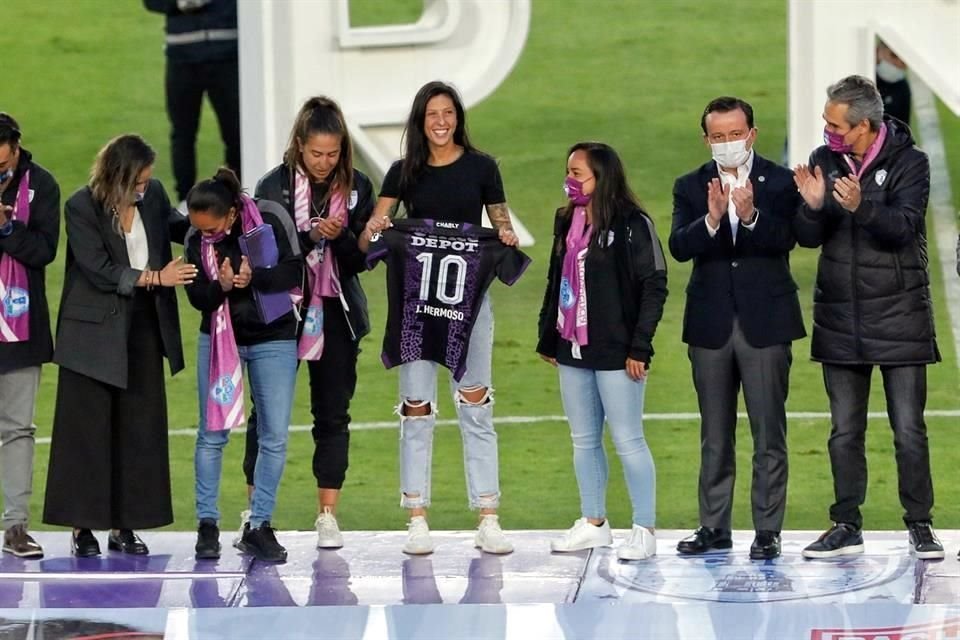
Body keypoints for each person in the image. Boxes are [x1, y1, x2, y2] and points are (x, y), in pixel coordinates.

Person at [360, 80, 520, 555]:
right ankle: (416, 515)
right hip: (417, 307)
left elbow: (501, 220)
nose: (441, 122)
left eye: (448, 113)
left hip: (469, 303)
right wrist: (379, 227)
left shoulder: (482, 166)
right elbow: (374, 229)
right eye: (432, 114)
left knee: (476, 403)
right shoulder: (401, 172)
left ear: (458, 117)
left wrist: (505, 236)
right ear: (420, 120)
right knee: (416, 407)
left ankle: (488, 515)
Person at [793, 75, 943, 560]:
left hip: (900, 314)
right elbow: (809, 237)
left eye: (835, 125)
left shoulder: (911, 163)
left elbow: (902, 228)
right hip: (840, 315)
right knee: (844, 431)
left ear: (863, 126)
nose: (827, 131)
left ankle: (920, 524)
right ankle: (845, 523)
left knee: (908, 430)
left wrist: (860, 209)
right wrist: (814, 209)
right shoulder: (824, 161)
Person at [43, 134, 194, 557]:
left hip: (142, 328)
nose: (145, 190)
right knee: (86, 432)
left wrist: (215, 219)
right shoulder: (81, 206)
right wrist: (154, 278)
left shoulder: (155, 195)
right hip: (90, 335)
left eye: (147, 182)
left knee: (139, 430)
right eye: (138, 183)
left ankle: (126, 525)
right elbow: (99, 269)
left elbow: (181, 227)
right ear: (117, 176)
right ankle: (82, 527)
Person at [668, 97, 805, 560]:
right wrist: (710, 219)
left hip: (765, 324)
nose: (727, 143)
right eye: (718, 136)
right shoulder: (690, 186)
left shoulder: (781, 182)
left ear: (753, 133)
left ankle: (767, 531)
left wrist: (749, 217)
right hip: (710, 327)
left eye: (735, 133)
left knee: (769, 432)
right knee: (715, 432)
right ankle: (714, 526)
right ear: (706, 138)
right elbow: (679, 247)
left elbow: (787, 240)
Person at [244, 96, 374, 549]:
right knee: (266, 416)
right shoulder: (271, 187)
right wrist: (308, 235)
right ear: (299, 146)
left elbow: (365, 258)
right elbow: (261, 255)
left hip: (336, 313)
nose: (324, 163)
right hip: (282, 314)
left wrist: (343, 242)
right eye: (316, 153)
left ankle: (327, 516)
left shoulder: (358, 187)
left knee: (333, 414)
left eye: (332, 154)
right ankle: (254, 513)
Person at [536, 142, 667, 560]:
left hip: (618, 349)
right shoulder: (567, 220)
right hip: (572, 346)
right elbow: (556, 278)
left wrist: (640, 346)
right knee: (583, 440)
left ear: (602, 177)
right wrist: (548, 337)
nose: (569, 181)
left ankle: (644, 528)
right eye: (569, 172)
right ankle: (594, 522)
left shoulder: (633, 223)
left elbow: (654, 285)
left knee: (628, 440)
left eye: (578, 174)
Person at [184, 168, 301, 563]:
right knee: (212, 434)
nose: (204, 235)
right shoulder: (194, 237)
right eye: (198, 228)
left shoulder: (269, 219)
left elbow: (295, 271)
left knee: (274, 435)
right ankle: (207, 525)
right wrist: (222, 285)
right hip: (220, 339)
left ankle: (260, 524)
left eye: (211, 228)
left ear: (232, 215)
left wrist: (257, 277)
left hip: (273, 337)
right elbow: (199, 297)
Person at [0, 114, 60, 558]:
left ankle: (15, 526)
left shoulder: (42, 185)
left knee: (18, 429)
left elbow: (44, 251)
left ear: (15, 147)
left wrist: (6, 229)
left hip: (20, 327)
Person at [144, 0, 240, 206]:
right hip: (183, 57)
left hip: (227, 54)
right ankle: (185, 201)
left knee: (236, 131)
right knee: (183, 133)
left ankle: (237, 198)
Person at [875, 40, 911, 126]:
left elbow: (902, 133)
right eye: (894, 55)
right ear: (877, 51)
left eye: (904, 60)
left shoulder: (903, 89)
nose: (898, 63)